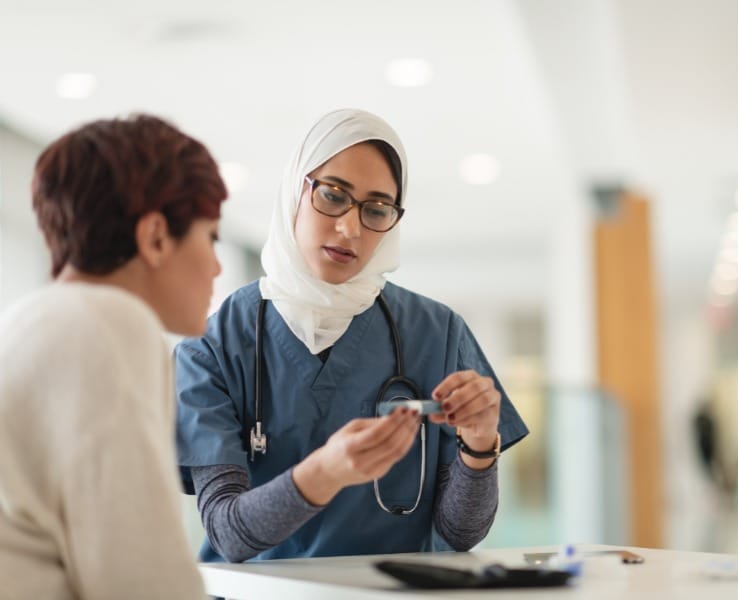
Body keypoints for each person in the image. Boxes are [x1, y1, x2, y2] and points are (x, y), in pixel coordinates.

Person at [175, 108, 529, 563]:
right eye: (333, 196)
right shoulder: (214, 343)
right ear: (296, 191)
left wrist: (479, 444)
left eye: (377, 209)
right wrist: (327, 470)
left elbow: (461, 532)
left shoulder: (437, 332)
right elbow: (229, 533)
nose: (350, 228)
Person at [0, 114, 227, 598]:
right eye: (210, 237)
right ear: (156, 238)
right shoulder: (108, 323)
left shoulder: (26, 322)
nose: (216, 265)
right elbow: (139, 580)